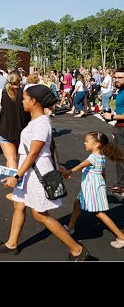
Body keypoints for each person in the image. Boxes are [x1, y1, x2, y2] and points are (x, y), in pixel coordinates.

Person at [0, 85, 90, 261]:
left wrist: (16, 176)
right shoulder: (37, 121)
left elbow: (34, 153)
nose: (22, 101)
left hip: (35, 174)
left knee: (40, 215)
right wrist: (58, 165)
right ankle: (11, 244)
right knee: (18, 204)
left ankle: (77, 250)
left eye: (24, 98)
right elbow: (50, 147)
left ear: (33, 101)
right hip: (29, 171)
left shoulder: (41, 124)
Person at [62, 132, 124, 249]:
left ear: (96, 144)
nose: (84, 143)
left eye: (87, 141)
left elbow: (82, 165)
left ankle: (121, 237)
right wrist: (103, 184)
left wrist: (69, 171)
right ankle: (70, 227)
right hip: (91, 187)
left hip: (92, 188)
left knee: (99, 213)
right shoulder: (101, 157)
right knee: (77, 204)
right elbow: (103, 172)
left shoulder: (93, 157)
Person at [103, 67, 124, 197]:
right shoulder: (120, 91)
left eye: (120, 77)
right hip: (120, 127)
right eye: (115, 77)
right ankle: (121, 186)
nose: (117, 79)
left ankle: (121, 186)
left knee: (120, 157)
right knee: (120, 157)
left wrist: (112, 117)